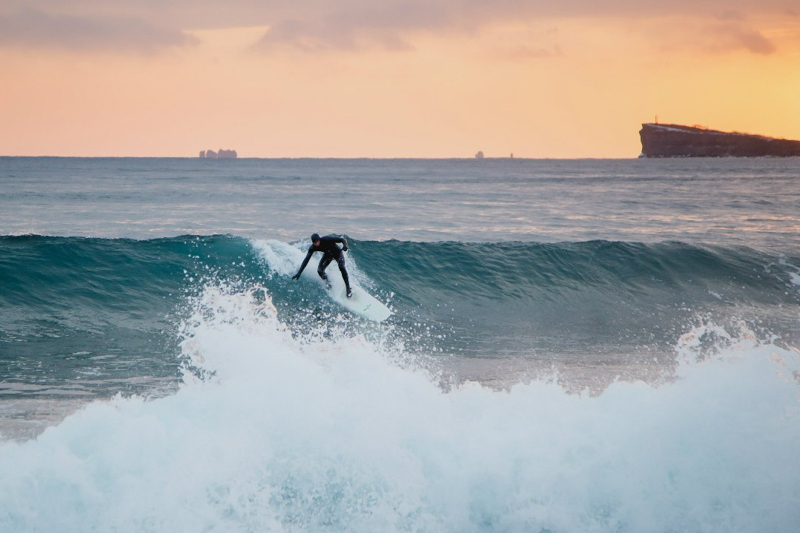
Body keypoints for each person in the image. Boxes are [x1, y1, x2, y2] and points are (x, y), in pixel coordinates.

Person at [292, 233, 352, 297]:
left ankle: (348, 288)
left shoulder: (326, 239)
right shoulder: (312, 248)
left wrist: (345, 245)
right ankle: (329, 283)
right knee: (320, 270)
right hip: (328, 255)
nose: (317, 244)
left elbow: (342, 240)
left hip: (337, 253)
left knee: (341, 267)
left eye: (317, 242)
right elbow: (306, 260)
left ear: (319, 240)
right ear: (313, 242)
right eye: (315, 242)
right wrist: (299, 272)